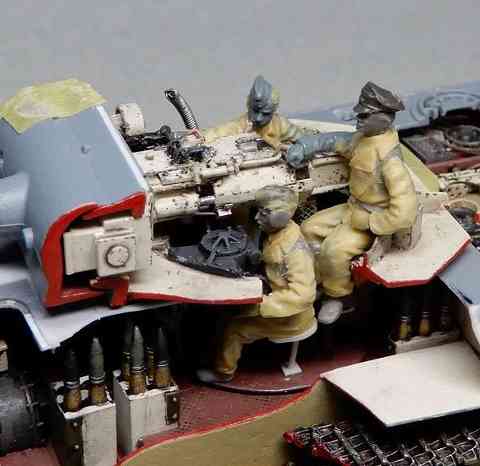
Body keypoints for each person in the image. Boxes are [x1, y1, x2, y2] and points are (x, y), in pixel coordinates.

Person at [286, 82, 418, 325]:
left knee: (334, 250)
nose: (358, 120)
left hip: (371, 221)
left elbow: (405, 213)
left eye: (365, 116)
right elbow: (336, 141)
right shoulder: (364, 140)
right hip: (353, 207)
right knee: (308, 228)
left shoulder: (390, 160)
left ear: (383, 119)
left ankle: (339, 295)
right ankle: (319, 280)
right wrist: (305, 146)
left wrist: (369, 221)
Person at [196, 185, 316, 383]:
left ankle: (223, 372)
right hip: (274, 293)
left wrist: (258, 305)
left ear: (280, 216)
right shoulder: (281, 233)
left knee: (234, 329)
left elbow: (302, 295)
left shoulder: (295, 252)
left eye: (264, 213)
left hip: (290, 316)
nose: (257, 217)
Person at [201, 75, 305, 150]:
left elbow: (305, 139)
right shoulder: (239, 126)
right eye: (255, 111)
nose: (258, 118)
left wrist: (300, 150)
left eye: (266, 114)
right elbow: (216, 132)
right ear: (248, 105)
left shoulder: (280, 125)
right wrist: (202, 137)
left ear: (274, 111)